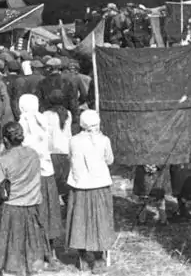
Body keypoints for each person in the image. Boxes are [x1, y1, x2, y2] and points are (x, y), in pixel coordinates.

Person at [0, 122, 50, 275]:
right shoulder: (33, 154)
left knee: (8, 256)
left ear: (5, 140)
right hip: (32, 208)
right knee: (30, 251)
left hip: (9, 211)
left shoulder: (4, 161)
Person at [66, 110, 115, 274]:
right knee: (100, 219)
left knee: (81, 220)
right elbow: (110, 160)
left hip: (80, 186)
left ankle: (85, 257)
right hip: (99, 186)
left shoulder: (73, 141)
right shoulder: (104, 140)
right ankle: (99, 257)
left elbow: (70, 158)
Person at [19, 94, 63, 266]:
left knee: (33, 214)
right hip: (46, 174)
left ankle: (36, 253)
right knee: (49, 213)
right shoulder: (43, 122)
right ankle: (49, 253)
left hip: (30, 177)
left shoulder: (22, 124)